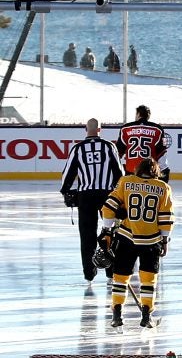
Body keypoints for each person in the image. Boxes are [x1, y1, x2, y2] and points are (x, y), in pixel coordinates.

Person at [98, 157, 174, 328]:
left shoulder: (126, 181)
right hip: (151, 240)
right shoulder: (163, 188)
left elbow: (109, 206)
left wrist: (107, 230)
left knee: (120, 278)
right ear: (156, 171)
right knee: (148, 280)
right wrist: (164, 240)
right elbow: (166, 217)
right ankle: (146, 313)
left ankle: (117, 312)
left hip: (126, 238)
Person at [59, 118, 124, 281]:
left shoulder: (78, 148)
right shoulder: (109, 146)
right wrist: (121, 195)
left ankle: (89, 272)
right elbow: (119, 173)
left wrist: (65, 190)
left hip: (85, 197)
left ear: (85, 129)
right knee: (110, 231)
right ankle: (111, 270)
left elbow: (67, 173)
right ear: (100, 130)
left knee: (87, 235)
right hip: (107, 196)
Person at [117, 104, 170, 179]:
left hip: (131, 172)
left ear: (138, 114)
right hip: (149, 172)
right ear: (148, 116)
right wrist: (165, 172)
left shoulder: (125, 128)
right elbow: (162, 153)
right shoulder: (158, 129)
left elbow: (118, 152)